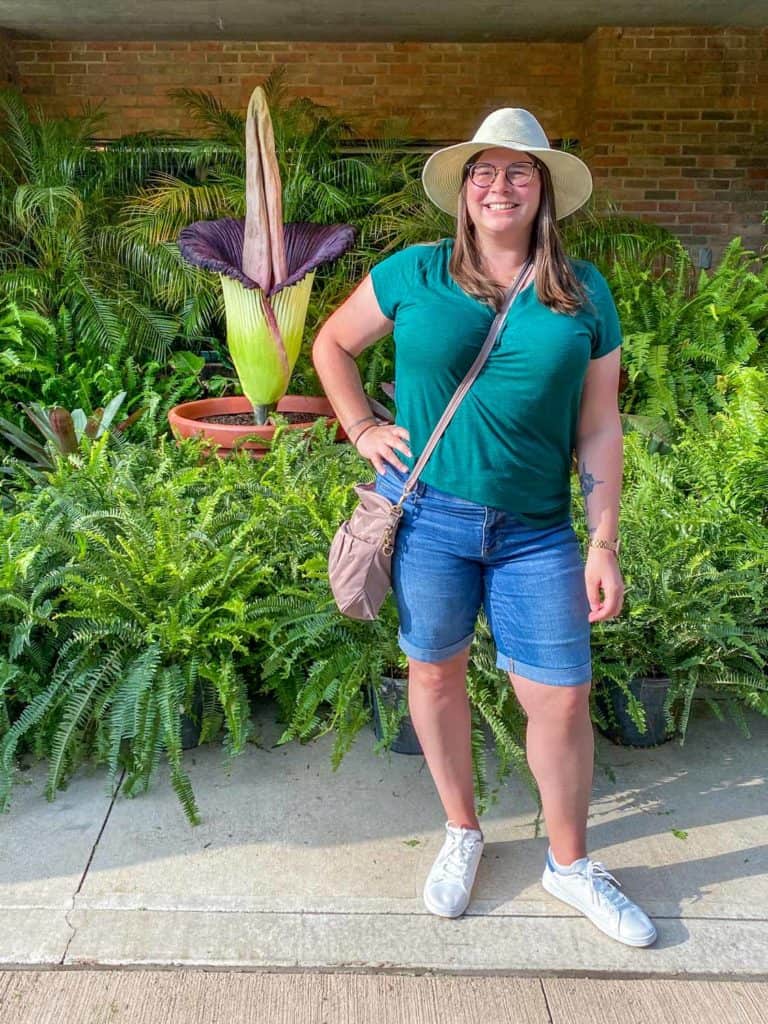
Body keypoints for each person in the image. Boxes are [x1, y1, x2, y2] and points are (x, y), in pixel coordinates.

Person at [312, 108, 657, 948]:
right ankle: (462, 831)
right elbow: (332, 344)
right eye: (483, 172)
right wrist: (362, 428)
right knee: (433, 678)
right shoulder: (414, 273)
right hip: (426, 517)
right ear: (464, 193)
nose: (499, 186)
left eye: (519, 172)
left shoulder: (583, 296)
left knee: (563, 697)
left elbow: (600, 424)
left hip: (538, 530)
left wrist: (603, 538)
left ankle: (570, 864)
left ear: (543, 193)